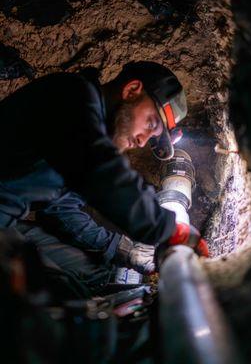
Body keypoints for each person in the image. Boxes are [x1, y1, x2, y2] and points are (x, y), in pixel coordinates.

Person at [0, 61, 208, 298]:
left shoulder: (81, 141)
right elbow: (101, 172)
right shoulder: (71, 96)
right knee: (60, 295)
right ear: (131, 90)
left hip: (9, 219)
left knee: (99, 278)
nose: (142, 141)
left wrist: (121, 248)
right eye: (150, 123)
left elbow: (60, 209)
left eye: (152, 136)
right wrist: (167, 228)